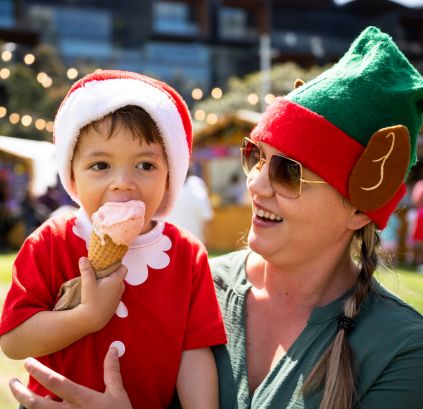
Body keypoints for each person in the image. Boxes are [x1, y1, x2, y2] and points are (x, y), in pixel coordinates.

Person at [9, 26, 423, 409]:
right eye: (256, 157)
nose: (256, 185)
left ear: (358, 207)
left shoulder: (401, 350)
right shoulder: (204, 279)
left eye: (288, 172)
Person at [1, 70, 226, 409]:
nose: (123, 182)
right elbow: (14, 341)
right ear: (72, 177)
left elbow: (192, 352)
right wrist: (87, 316)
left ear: (170, 177)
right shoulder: (51, 242)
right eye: (101, 165)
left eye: (146, 166)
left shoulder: (186, 255)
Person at [167, 169, 213, 242]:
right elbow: (206, 218)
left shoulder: (166, 191)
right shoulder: (198, 190)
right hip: (194, 242)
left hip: (171, 242)